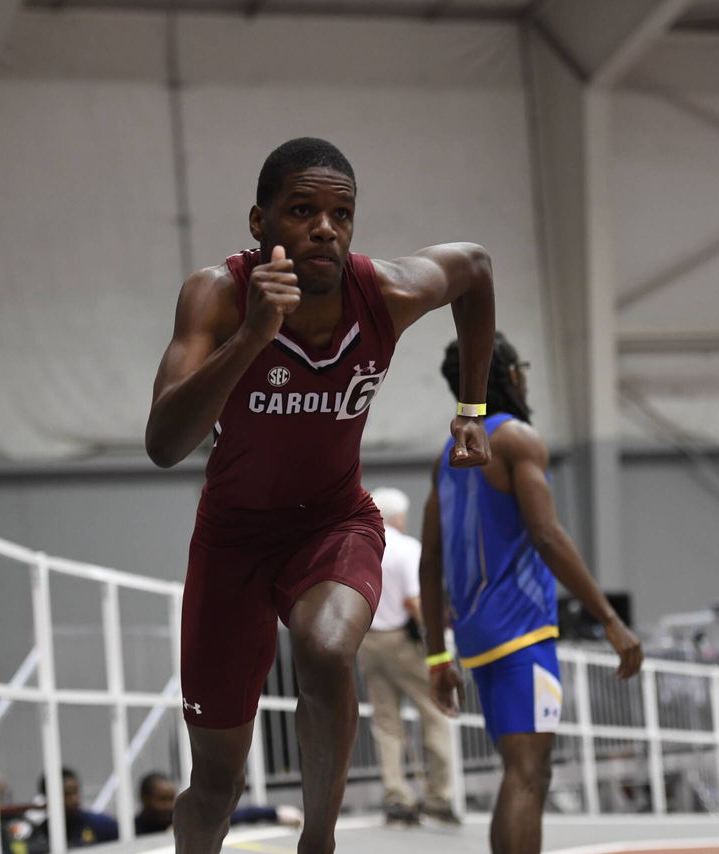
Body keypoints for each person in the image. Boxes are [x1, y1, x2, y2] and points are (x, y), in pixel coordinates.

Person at [145, 136, 496, 854]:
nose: (324, 228)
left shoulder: (386, 293)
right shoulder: (217, 294)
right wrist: (249, 337)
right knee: (215, 786)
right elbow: (162, 442)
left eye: (341, 213)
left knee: (328, 648)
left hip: (334, 523)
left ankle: (320, 843)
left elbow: (476, 268)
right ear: (259, 222)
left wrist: (471, 411)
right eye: (302, 210)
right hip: (233, 543)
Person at [418, 332, 642, 854]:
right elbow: (546, 535)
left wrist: (436, 655)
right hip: (522, 633)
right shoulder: (517, 438)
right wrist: (608, 618)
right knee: (528, 775)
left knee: (519, 775)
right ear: (512, 375)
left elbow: (430, 564)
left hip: (477, 639)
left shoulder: (446, 457)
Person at [358, 486, 457, 826]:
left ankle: (396, 795)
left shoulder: (363, 548)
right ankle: (439, 797)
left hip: (369, 641)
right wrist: (439, 641)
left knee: (386, 722)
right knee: (434, 713)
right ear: (398, 517)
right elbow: (415, 603)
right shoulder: (407, 549)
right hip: (403, 642)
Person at [134, 773, 303, 836]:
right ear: (144, 798)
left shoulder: (180, 819)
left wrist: (275, 813)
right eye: (162, 800)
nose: (169, 805)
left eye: (171, 799)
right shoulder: (129, 829)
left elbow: (232, 815)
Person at [32, 768, 119, 847]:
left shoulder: (101, 825)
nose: (75, 800)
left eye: (76, 793)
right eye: (67, 795)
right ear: (48, 798)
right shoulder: (41, 835)